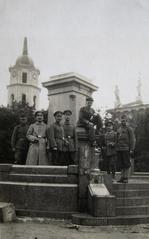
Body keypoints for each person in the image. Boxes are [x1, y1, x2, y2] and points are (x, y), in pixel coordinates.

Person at [117, 115, 136, 183]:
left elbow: (133, 139)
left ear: (127, 121)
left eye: (124, 121)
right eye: (122, 121)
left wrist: (132, 149)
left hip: (126, 148)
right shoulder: (119, 129)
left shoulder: (129, 129)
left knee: (126, 163)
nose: (123, 122)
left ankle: (126, 177)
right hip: (119, 149)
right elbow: (117, 139)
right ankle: (122, 177)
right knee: (121, 164)